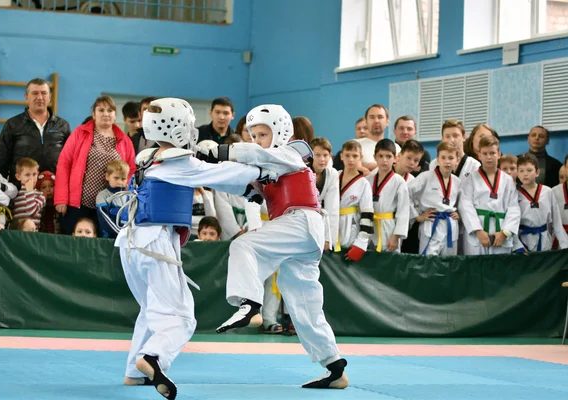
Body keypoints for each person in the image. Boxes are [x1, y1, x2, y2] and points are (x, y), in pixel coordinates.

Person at [115, 98, 275, 399]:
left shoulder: (148, 158)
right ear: (180, 130)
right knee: (181, 316)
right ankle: (153, 358)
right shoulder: (180, 163)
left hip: (131, 243)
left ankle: (134, 373)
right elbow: (226, 175)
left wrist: (247, 187)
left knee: (153, 310)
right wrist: (263, 171)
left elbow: (214, 177)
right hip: (154, 244)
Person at [199, 104, 349, 390]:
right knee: (302, 302)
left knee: (243, 246)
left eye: (263, 134)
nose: (257, 140)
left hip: (302, 221)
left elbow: (258, 155)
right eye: (253, 135)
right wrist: (202, 167)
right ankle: (334, 366)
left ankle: (250, 304)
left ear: (280, 131)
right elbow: (239, 182)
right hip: (300, 237)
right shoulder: (267, 166)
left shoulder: (293, 152)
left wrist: (222, 151)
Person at [54, 95, 136, 235]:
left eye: (110, 110)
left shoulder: (125, 140)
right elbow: (64, 164)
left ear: (115, 115)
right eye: (101, 110)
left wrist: (124, 190)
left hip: (110, 205)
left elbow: (132, 170)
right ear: (94, 114)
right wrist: (61, 198)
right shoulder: (79, 133)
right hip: (78, 202)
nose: (105, 114)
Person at [0, 78, 71, 185]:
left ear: (50, 97)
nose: (39, 97)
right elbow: (1, 163)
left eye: (44, 93)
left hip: (54, 191)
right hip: (21, 193)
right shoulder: (12, 124)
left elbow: (71, 161)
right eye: (35, 93)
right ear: (26, 96)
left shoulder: (63, 126)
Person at [458, 136, 520, 255]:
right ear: (479, 155)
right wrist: (478, 230)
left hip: (501, 231)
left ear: (499, 154)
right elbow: (465, 206)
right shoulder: (470, 179)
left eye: (492, 153)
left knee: (500, 270)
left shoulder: (508, 180)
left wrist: (505, 233)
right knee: (476, 269)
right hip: (477, 233)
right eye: (485, 153)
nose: (489, 157)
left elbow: (514, 208)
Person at [408, 142, 461, 255]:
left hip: (450, 224)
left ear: (457, 160)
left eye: (451, 158)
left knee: (449, 264)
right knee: (428, 263)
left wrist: (459, 213)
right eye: (443, 157)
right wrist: (417, 216)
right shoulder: (425, 177)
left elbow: (463, 203)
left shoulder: (457, 181)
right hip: (431, 223)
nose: (447, 161)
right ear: (437, 159)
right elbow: (406, 193)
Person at [514, 153, 568, 252]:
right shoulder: (515, 195)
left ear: (537, 172)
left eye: (529, 170)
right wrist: (518, 246)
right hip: (524, 242)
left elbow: (557, 222)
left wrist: (565, 245)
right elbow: (513, 224)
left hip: (545, 241)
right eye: (521, 171)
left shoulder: (547, 191)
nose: (525, 174)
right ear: (517, 173)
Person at [365, 139, 410, 253]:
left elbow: (403, 211)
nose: (384, 160)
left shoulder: (399, 182)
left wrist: (396, 236)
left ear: (395, 158)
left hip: (389, 228)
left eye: (388, 156)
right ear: (375, 157)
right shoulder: (368, 180)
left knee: (390, 264)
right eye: (380, 156)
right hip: (370, 226)